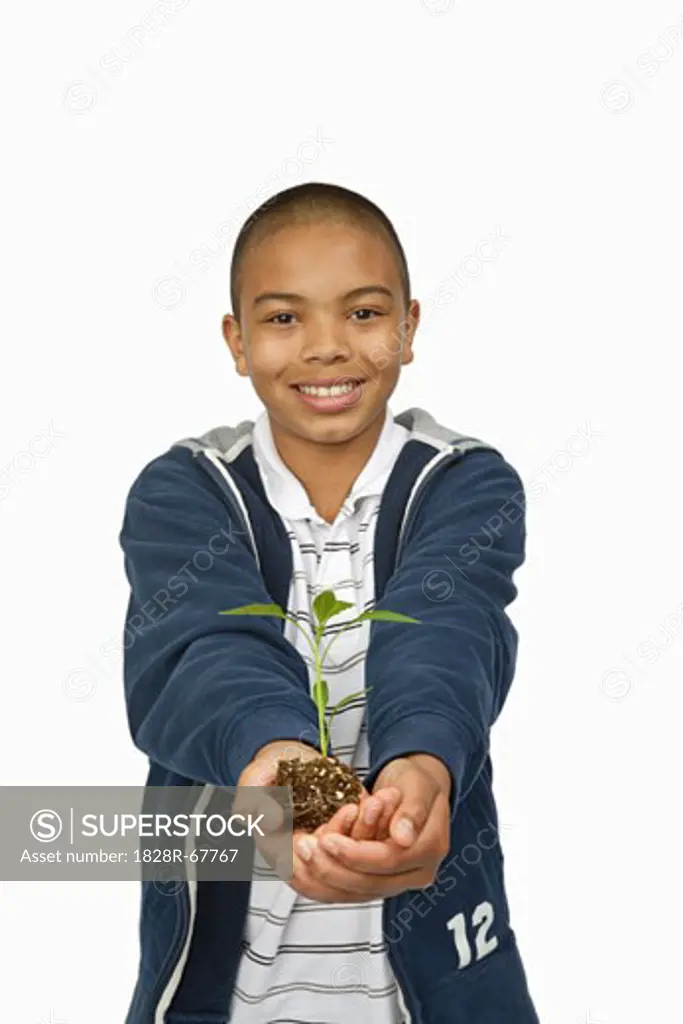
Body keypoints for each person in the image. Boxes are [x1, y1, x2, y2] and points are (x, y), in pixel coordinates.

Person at [118, 182, 539, 1023]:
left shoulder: (464, 483)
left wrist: (420, 767)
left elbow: (444, 633)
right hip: (230, 994)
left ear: (408, 328)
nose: (324, 348)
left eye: (362, 313)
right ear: (236, 341)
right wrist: (287, 779)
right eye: (282, 319)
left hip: (431, 990)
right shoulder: (183, 492)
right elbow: (204, 651)